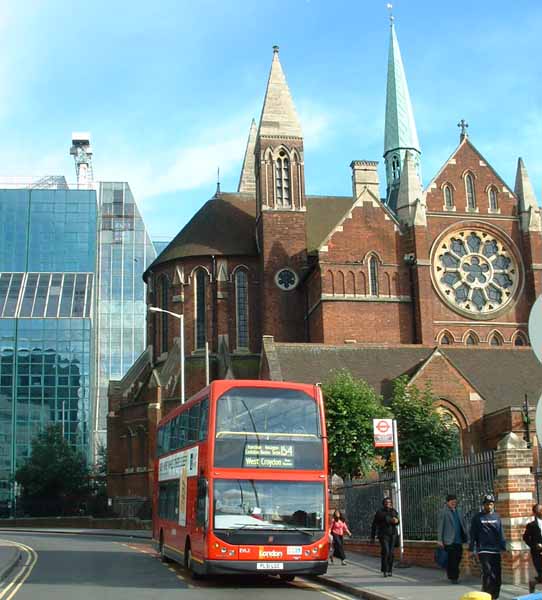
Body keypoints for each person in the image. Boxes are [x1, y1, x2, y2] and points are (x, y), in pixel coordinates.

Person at [469, 494, 506, 600]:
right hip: (483, 550)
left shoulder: (497, 517)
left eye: (491, 504)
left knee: (497, 574)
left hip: (496, 550)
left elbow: (500, 532)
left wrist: (503, 547)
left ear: (493, 505)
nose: (489, 506)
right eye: (487, 504)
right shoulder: (477, 517)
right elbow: (473, 534)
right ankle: (485, 595)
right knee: (488, 572)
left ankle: (495, 596)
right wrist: (472, 549)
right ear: (483, 505)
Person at [437, 493, 469, 584]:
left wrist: (466, 533)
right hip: (449, 540)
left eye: (455, 501)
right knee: (452, 560)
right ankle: (454, 577)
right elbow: (440, 527)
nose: (454, 503)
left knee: (458, 558)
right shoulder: (443, 512)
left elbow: (463, 523)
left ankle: (452, 574)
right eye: (452, 502)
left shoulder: (459, 511)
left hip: (459, 540)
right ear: (447, 502)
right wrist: (439, 540)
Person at [370, 497, 400, 577]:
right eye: (386, 502)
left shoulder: (393, 511)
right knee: (386, 551)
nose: (388, 503)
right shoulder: (380, 512)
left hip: (393, 535)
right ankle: (385, 570)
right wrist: (372, 537)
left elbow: (397, 521)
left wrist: (397, 521)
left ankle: (390, 570)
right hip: (383, 535)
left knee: (391, 553)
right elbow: (374, 524)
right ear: (384, 503)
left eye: (389, 502)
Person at [522, 503, 542, 594]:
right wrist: (535, 546)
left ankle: (533, 582)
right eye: (540, 510)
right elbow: (525, 538)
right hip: (537, 554)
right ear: (535, 513)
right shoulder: (532, 525)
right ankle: (533, 583)